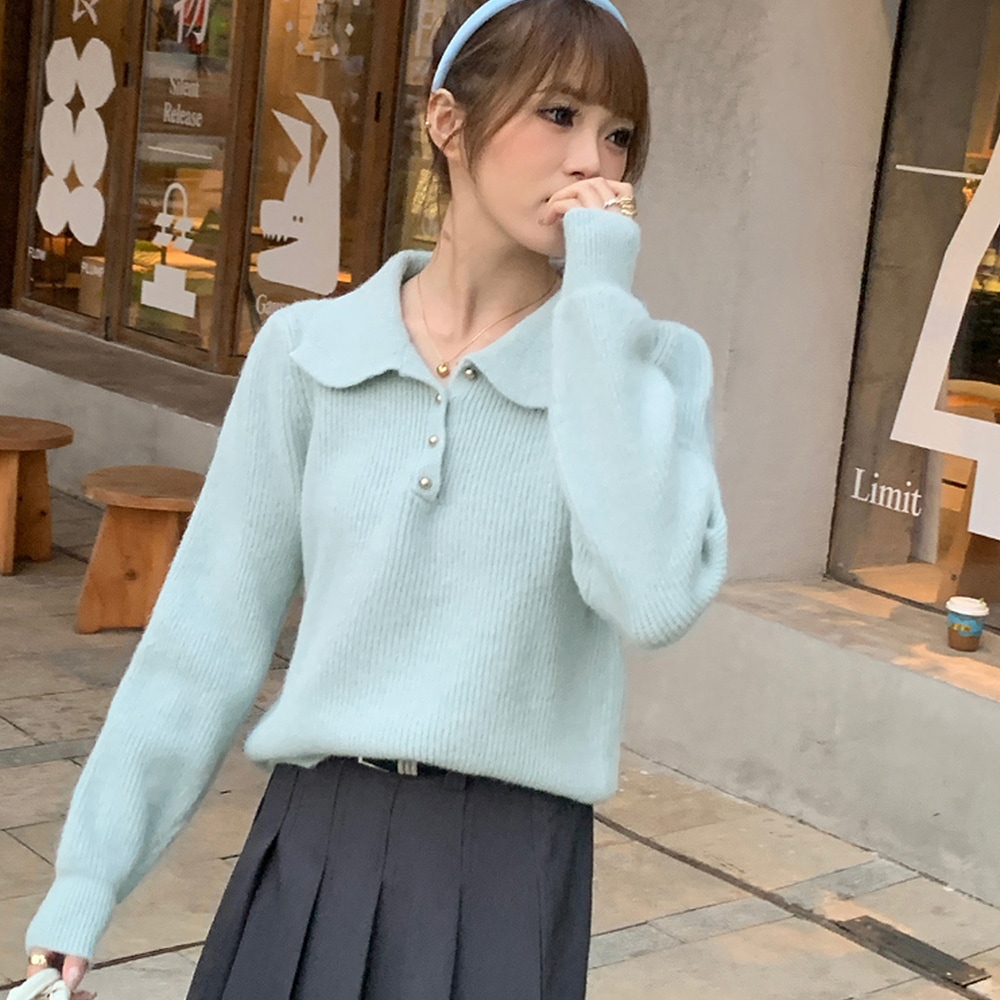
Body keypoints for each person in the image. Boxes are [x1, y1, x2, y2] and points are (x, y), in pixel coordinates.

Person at [18, 0, 727, 997]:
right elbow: (205, 636)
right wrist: (88, 883)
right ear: (448, 121)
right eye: (560, 114)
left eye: (619, 135)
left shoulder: (647, 368)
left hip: (509, 866)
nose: (593, 161)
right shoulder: (309, 354)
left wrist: (601, 301)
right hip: (314, 845)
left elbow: (651, 597)